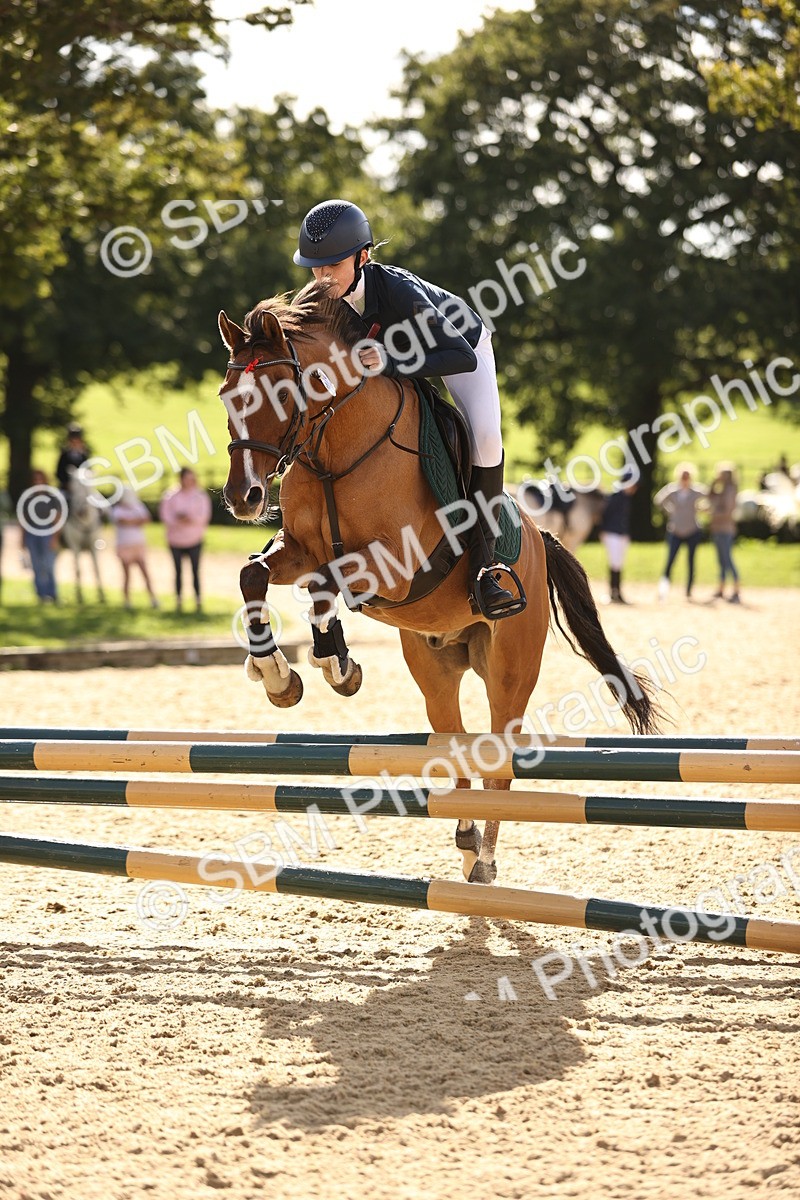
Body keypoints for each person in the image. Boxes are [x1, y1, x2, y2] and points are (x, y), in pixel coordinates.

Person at [292, 198, 524, 620]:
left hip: (460, 347)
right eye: (316, 268)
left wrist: (391, 361)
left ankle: (488, 564)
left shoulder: (398, 290)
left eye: (333, 267)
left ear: (363, 257)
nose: (323, 279)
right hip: (398, 359)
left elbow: (458, 357)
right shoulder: (326, 299)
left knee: (487, 441)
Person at [159, 468, 212, 612]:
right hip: (175, 539)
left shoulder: (200, 496)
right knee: (178, 571)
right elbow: (165, 515)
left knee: (195, 570)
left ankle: (198, 599)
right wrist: (179, 521)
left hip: (194, 538)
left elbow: (204, 516)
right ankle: (178, 599)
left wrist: (191, 519)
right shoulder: (171, 496)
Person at [654, 463, 707, 600]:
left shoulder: (696, 491)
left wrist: (702, 509)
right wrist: (669, 511)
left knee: (691, 561)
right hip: (675, 530)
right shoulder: (672, 490)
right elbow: (658, 500)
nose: (685, 479)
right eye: (683, 476)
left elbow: (709, 497)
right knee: (670, 561)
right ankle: (663, 590)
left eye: (687, 476)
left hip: (692, 530)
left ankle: (689, 591)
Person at [111, 485, 159, 610]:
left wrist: (132, 521)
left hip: (138, 545)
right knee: (127, 575)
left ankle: (153, 598)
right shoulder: (118, 509)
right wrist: (136, 521)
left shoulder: (138, 506)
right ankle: (127, 601)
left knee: (145, 572)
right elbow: (122, 521)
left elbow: (146, 519)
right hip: (124, 545)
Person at [599, 468, 638, 604]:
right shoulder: (615, 496)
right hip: (612, 533)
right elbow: (605, 514)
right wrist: (603, 530)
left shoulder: (626, 498)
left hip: (621, 534)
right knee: (614, 562)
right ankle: (612, 592)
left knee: (619, 563)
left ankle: (617, 592)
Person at [22, 469, 59, 604]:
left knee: (48, 565)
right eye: (35, 480)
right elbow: (23, 520)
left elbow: (57, 520)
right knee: (36, 566)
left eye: (40, 479)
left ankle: (52, 594)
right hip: (32, 533)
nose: (38, 482)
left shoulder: (51, 498)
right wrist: (22, 539)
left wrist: (55, 538)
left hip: (47, 531)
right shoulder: (28, 498)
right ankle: (41, 595)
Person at [707, 463, 741, 603]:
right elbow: (709, 497)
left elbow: (727, 511)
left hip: (725, 529)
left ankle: (736, 590)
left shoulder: (730, 491)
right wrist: (713, 484)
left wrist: (712, 513)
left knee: (727, 560)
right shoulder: (721, 490)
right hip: (717, 528)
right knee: (721, 561)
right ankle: (721, 589)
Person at [56, 424, 89, 492]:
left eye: (77, 441)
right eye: (72, 441)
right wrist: (67, 484)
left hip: (81, 487)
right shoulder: (64, 455)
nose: (75, 444)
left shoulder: (84, 456)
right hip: (67, 488)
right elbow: (59, 473)